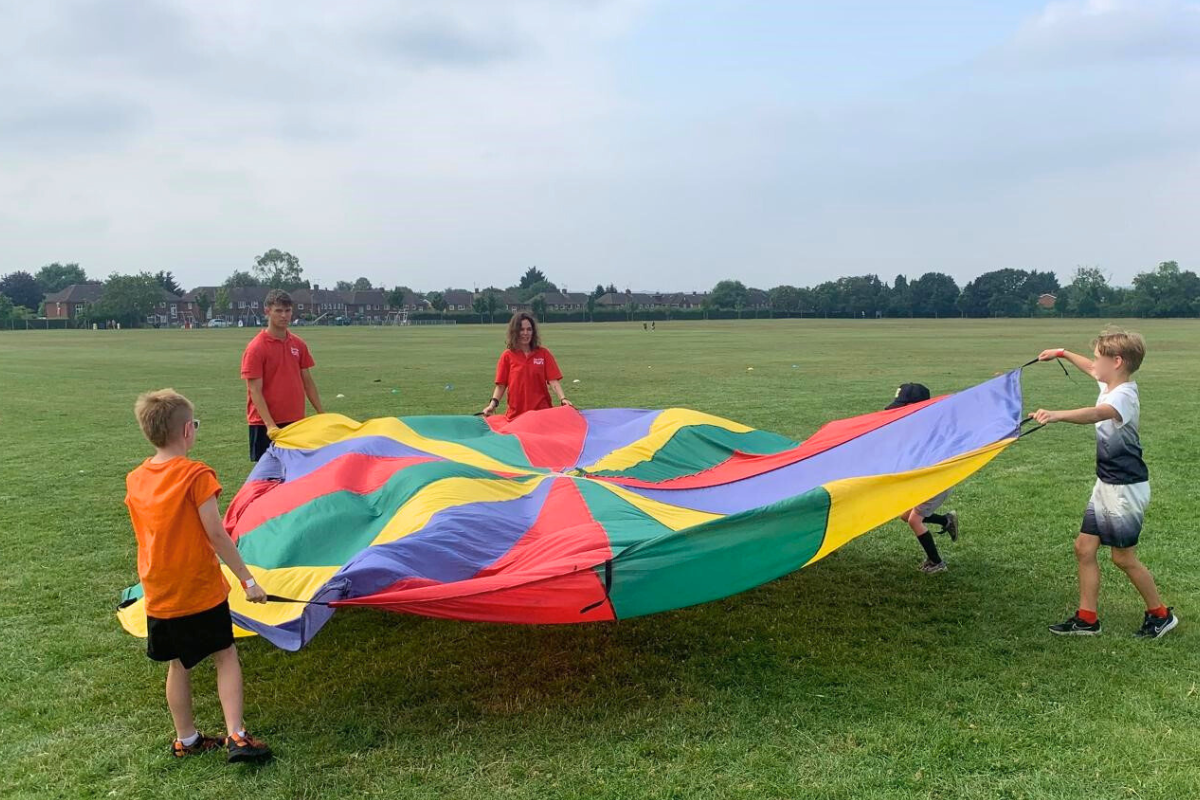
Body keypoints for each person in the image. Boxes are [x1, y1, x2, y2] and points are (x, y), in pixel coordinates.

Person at [125, 389, 273, 762]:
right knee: (225, 654)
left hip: (159, 591)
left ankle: (186, 739)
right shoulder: (195, 475)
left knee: (179, 663)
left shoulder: (137, 478)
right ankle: (237, 735)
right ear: (187, 431)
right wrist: (247, 580)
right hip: (198, 587)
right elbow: (216, 533)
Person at [1031, 330, 1177, 638]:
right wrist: (1062, 353)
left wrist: (1057, 414)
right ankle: (1087, 619)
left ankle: (1160, 614)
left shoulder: (1123, 395)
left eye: (1100, 357)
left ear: (1117, 361)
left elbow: (1097, 413)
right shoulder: (1111, 383)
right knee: (1084, 548)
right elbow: (1091, 369)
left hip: (1125, 486)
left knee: (1123, 557)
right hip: (1107, 483)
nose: (1094, 363)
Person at [240, 289, 323, 461]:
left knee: (296, 474)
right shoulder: (256, 348)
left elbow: (307, 381)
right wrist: (270, 425)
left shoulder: (298, 344)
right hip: (265, 425)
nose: (284, 315)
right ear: (267, 311)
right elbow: (255, 390)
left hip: (295, 422)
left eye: (288, 310)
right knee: (268, 479)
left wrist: (321, 412)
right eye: (278, 310)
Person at [886, 383, 959, 573]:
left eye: (904, 408)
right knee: (905, 514)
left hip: (938, 479)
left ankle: (937, 563)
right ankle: (946, 521)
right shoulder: (915, 426)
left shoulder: (930, 430)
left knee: (914, 520)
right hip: (924, 480)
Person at [482, 312, 572, 419]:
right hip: (516, 416)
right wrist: (492, 405)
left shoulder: (543, 353)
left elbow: (553, 381)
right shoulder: (507, 356)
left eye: (529, 329)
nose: (526, 333)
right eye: (521, 329)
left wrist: (563, 399)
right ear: (515, 332)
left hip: (541, 413)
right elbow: (501, 385)